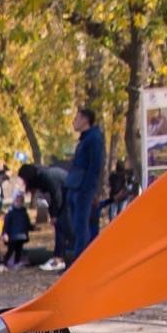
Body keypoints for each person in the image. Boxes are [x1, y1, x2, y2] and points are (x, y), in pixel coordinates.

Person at [61, 106, 105, 266]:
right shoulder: (85, 139)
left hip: (83, 188)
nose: (74, 121)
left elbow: (95, 166)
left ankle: (80, 262)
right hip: (76, 186)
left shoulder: (94, 139)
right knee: (77, 225)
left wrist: (89, 189)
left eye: (77, 118)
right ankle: (83, 260)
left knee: (81, 226)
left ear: (85, 120)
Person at [3, 192, 33, 268]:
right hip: (13, 235)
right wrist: (5, 233)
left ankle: (17, 262)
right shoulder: (10, 212)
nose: (19, 202)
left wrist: (31, 228)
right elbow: (6, 224)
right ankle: (4, 262)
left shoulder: (24, 212)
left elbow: (27, 223)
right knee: (11, 249)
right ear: (14, 200)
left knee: (19, 249)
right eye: (18, 200)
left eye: (21, 200)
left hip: (22, 234)